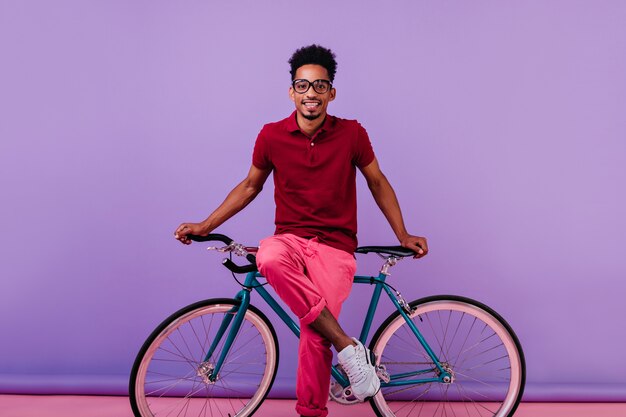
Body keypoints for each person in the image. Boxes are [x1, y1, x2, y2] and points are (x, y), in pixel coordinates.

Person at [174, 44, 428, 417]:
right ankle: (348, 348)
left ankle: (312, 411)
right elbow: (249, 187)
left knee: (313, 334)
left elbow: (377, 181)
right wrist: (204, 225)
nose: (311, 93)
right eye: (303, 86)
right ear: (292, 91)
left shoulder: (352, 134)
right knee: (268, 254)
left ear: (332, 92)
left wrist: (403, 234)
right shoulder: (271, 136)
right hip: (290, 242)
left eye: (320, 86)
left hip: (337, 248)